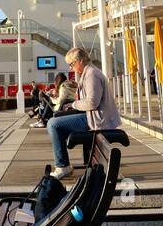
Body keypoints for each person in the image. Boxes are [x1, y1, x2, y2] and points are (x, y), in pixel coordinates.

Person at [47, 45, 120, 179]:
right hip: (95, 116)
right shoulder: (90, 72)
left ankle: (63, 166)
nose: (71, 68)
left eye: (71, 64)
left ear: (80, 61)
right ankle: (63, 164)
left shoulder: (91, 74)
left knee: (53, 124)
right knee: (56, 120)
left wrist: (74, 104)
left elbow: (92, 102)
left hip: (97, 119)